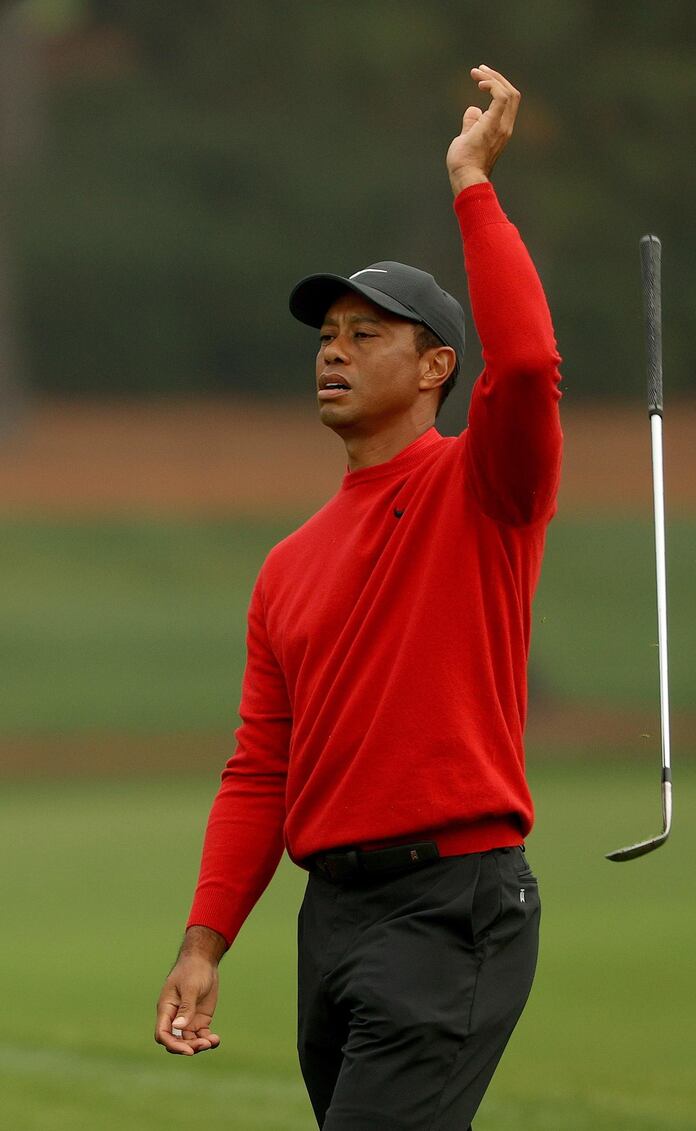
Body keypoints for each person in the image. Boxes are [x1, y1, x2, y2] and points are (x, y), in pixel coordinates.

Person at [155, 64, 563, 1130]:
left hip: (450, 907)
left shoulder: (483, 488)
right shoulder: (287, 563)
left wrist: (469, 183)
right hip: (329, 917)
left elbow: (524, 367)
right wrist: (204, 944)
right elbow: (260, 770)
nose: (333, 352)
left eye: (364, 334)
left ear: (435, 368)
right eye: (325, 336)